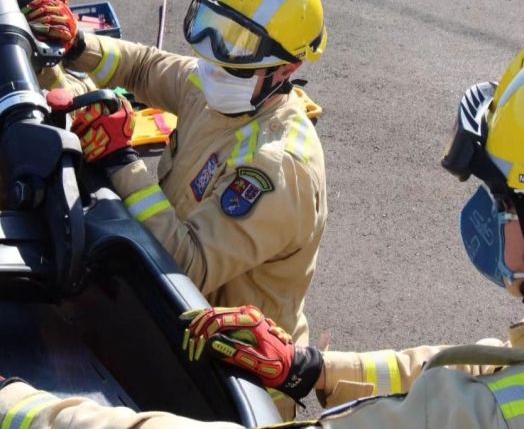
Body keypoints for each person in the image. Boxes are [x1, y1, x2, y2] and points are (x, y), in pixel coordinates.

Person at [1, 75, 524, 428]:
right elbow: (475, 364)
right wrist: (310, 369)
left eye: (501, 201)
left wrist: (19, 406)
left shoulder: (494, 412)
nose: (490, 217)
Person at [24, 0, 328, 355]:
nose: (215, 60)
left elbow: (190, 267)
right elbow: (145, 67)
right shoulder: (223, 85)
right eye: (217, 31)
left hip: (229, 374)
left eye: (238, 48)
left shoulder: (278, 166)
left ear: (287, 68)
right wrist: (78, 44)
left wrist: (120, 159)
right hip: (170, 320)